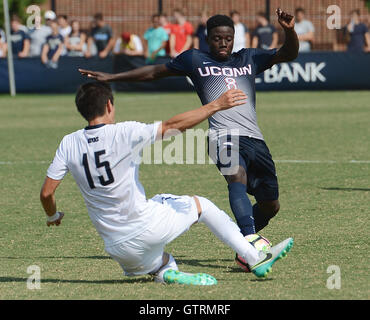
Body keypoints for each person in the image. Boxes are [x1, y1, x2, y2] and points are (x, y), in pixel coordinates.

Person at [79, 8, 299, 272]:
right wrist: (112, 77)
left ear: (233, 38)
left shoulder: (248, 58)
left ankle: (241, 241)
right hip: (221, 136)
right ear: (208, 38)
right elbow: (154, 72)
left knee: (271, 205)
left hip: (255, 139)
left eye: (228, 38)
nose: (223, 43)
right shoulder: (195, 60)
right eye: (217, 38)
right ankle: (250, 241)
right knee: (236, 176)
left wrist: (289, 30)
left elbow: (288, 53)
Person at [40, 81, 294, 284]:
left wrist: (53, 216)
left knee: (161, 253)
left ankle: (167, 273)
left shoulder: (68, 142)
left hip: (117, 248)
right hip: (146, 228)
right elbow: (172, 126)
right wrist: (215, 105)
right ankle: (254, 257)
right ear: (109, 105)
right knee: (202, 205)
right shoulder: (123, 132)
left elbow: (46, 193)